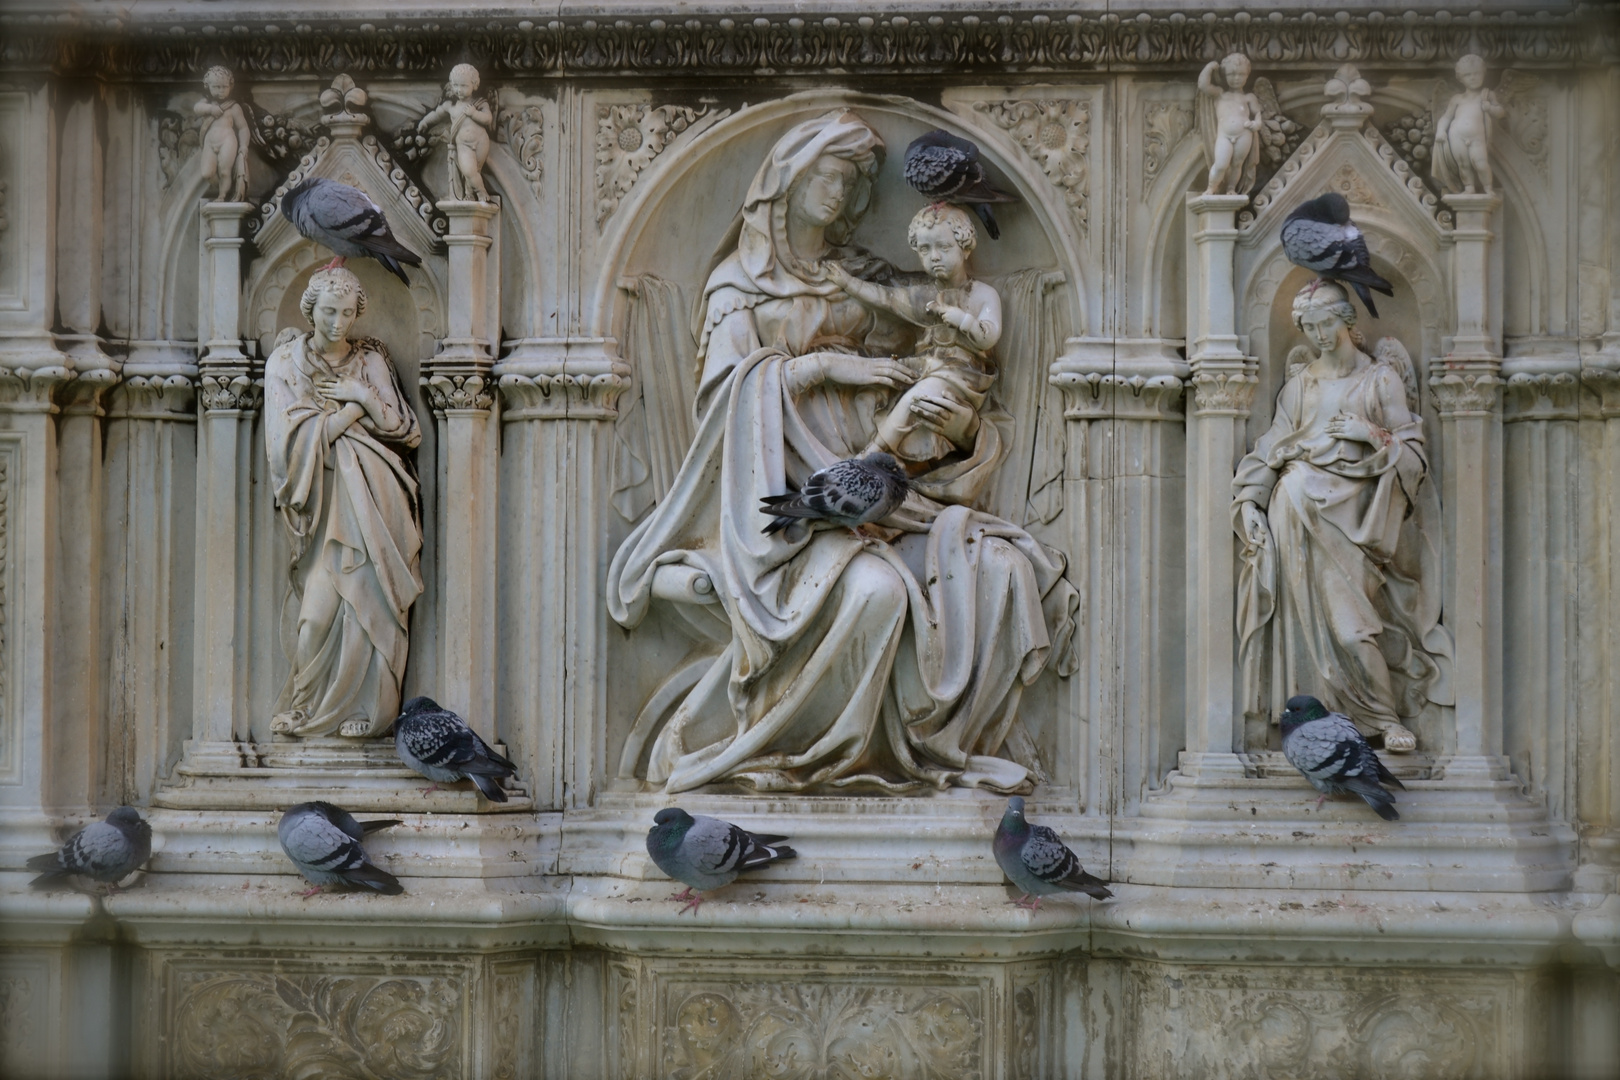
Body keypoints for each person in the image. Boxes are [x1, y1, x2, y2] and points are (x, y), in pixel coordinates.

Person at [607, 110, 1078, 795]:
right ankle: (815, 757)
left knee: (1001, 567)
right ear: (787, 184)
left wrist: (953, 428)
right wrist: (821, 370)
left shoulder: (860, 273)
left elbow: (931, 363)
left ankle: (940, 747)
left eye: (850, 180)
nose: (838, 192)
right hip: (779, 513)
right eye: (826, 175)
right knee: (878, 591)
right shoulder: (737, 287)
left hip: (887, 486)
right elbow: (721, 409)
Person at [1233, 281, 1452, 753]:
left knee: (1354, 631)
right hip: (1296, 516)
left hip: (1356, 522)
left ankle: (1385, 718)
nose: (1321, 336)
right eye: (1310, 328)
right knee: (1309, 630)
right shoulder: (1300, 385)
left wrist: (1368, 432)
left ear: (1348, 322)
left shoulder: (1380, 381)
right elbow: (1271, 448)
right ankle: (1319, 728)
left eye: (1328, 324)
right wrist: (1251, 503)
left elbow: (1414, 457)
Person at [264, 267, 424, 738]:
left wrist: (358, 395)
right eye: (330, 313)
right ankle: (303, 705)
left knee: (368, 608)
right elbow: (285, 447)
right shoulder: (286, 364)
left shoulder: (370, 360)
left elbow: (403, 428)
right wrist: (358, 410)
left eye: (348, 314)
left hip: (378, 502)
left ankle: (370, 710)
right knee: (314, 615)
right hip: (323, 504)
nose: (339, 324)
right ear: (310, 310)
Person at [823, 203, 1002, 469]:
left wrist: (963, 320)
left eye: (944, 248)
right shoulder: (922, 295)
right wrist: (848, 283)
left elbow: (989, 337)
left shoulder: (981, 294)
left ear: (965, 248)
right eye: (925, 249)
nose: (934, 257)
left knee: (918, 398)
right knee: (870, 391)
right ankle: (887, 463)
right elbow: (886, 298)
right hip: (924, 367)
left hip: (960, 375)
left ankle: (868, 458)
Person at [418, 63, 494, 202]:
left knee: (475, 170)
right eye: (455, 85)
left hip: (481, 142)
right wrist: (425, 122)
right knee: (469, 170)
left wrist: (474, 113)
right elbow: (436, 114)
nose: (459, 90)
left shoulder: (480, 103)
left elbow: (488, 119)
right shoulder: (450, 106)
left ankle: (469, 194)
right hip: (463, 145)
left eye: (464, 86)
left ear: (474, 85)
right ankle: (481, 191)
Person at [1433, 54, 1505, 196]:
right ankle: (1469, 187)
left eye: (1476, 74)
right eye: (1468, 75)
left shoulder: (1486, 95)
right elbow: (1446, 117)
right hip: (1456, 135)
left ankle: (1488, 188)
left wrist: (1489, 108)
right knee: (1463, 164)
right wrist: (1440, 130)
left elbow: (1501, 112)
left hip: (1477, 137)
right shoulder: (1457, 99)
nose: (1473, 78)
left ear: (1483, 74)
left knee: (1481, 164)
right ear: (1460, 78)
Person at [1198, 53, 1263, 196]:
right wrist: (1209, 68)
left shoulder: (1248, 97)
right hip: (1225, 135)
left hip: (1244, 134)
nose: (1236, 78)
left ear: (1247, 75)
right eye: (1232, 74)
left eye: (1241, 74)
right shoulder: (1220, 94)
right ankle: (1211, 188)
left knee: (1237, 164)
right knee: (1221, 164)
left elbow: (1258, 114)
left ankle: (1231, 188)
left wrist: (1256, 124)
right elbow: (1203, 86)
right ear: (1224, 75)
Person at [194, 65, 250, 202]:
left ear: (231, 86)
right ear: (208, 86)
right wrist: (211, 109)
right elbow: (197, 108)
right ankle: (223, 187)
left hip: (227, 140)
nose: (221, 91)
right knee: (207, 173)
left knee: (225, 171)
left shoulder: (233, 107)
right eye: (216, 87)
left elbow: (243, 128)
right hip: (210, 141)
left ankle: (223, 195)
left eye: (224, 87)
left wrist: (244, 146)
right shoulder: (207, 104)